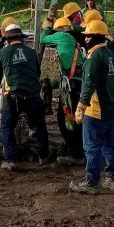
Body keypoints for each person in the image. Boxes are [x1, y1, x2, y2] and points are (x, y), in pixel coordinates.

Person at [69, 20, 114, 195]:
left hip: (96, 110)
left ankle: (92, 181)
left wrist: (81, 106)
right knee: (110, 145)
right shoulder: (112, 55)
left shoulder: (93, 57)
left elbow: (88, 84)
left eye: (89, 35)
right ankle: (112, 179)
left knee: (92, 146)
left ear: (97, 37)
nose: (86, 38)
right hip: (111, 108)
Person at [0, 22, 52, 171]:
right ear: (20, 37)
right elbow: (37, 72)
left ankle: (11, 159)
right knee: (39, 125)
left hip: (13, 96)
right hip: (33, 95)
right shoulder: (32, 53)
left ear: (7, 39)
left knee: (7, 127)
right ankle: (43, 156)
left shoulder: (3, 53)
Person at [40, 14, 85, 166]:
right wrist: (52, 84)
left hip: (71, 87)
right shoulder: (72, 40)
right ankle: (79, 148)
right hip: (76, 84)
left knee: (65, 118)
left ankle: (76, 154)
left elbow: (43, 38)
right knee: (75, 118)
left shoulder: (62, 36)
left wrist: (46, 26)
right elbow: (69, 74)